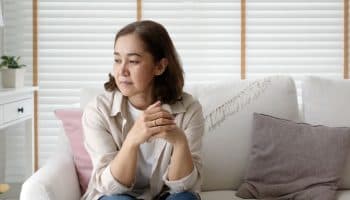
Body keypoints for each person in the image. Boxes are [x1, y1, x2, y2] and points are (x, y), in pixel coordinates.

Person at [81, 20, 204, 200]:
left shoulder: (189, 109)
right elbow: (110, 186)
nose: (122, 71)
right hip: (118, 196)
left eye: (133, 61)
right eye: (117, 60)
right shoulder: (98, 110)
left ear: (160, 66)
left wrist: (179, 142)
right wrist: (132, 140)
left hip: (165, 195)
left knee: (185, 198)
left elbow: (185, 187)